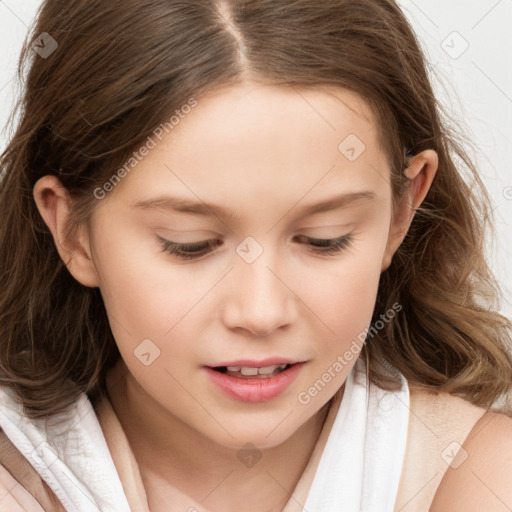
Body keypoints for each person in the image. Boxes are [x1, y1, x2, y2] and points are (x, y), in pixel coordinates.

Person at [1, 0, 512, 511]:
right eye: (190, 244)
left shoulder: (478, 476)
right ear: (72, 231)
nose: (261, 312)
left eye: (324, 238)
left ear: (402, 210)